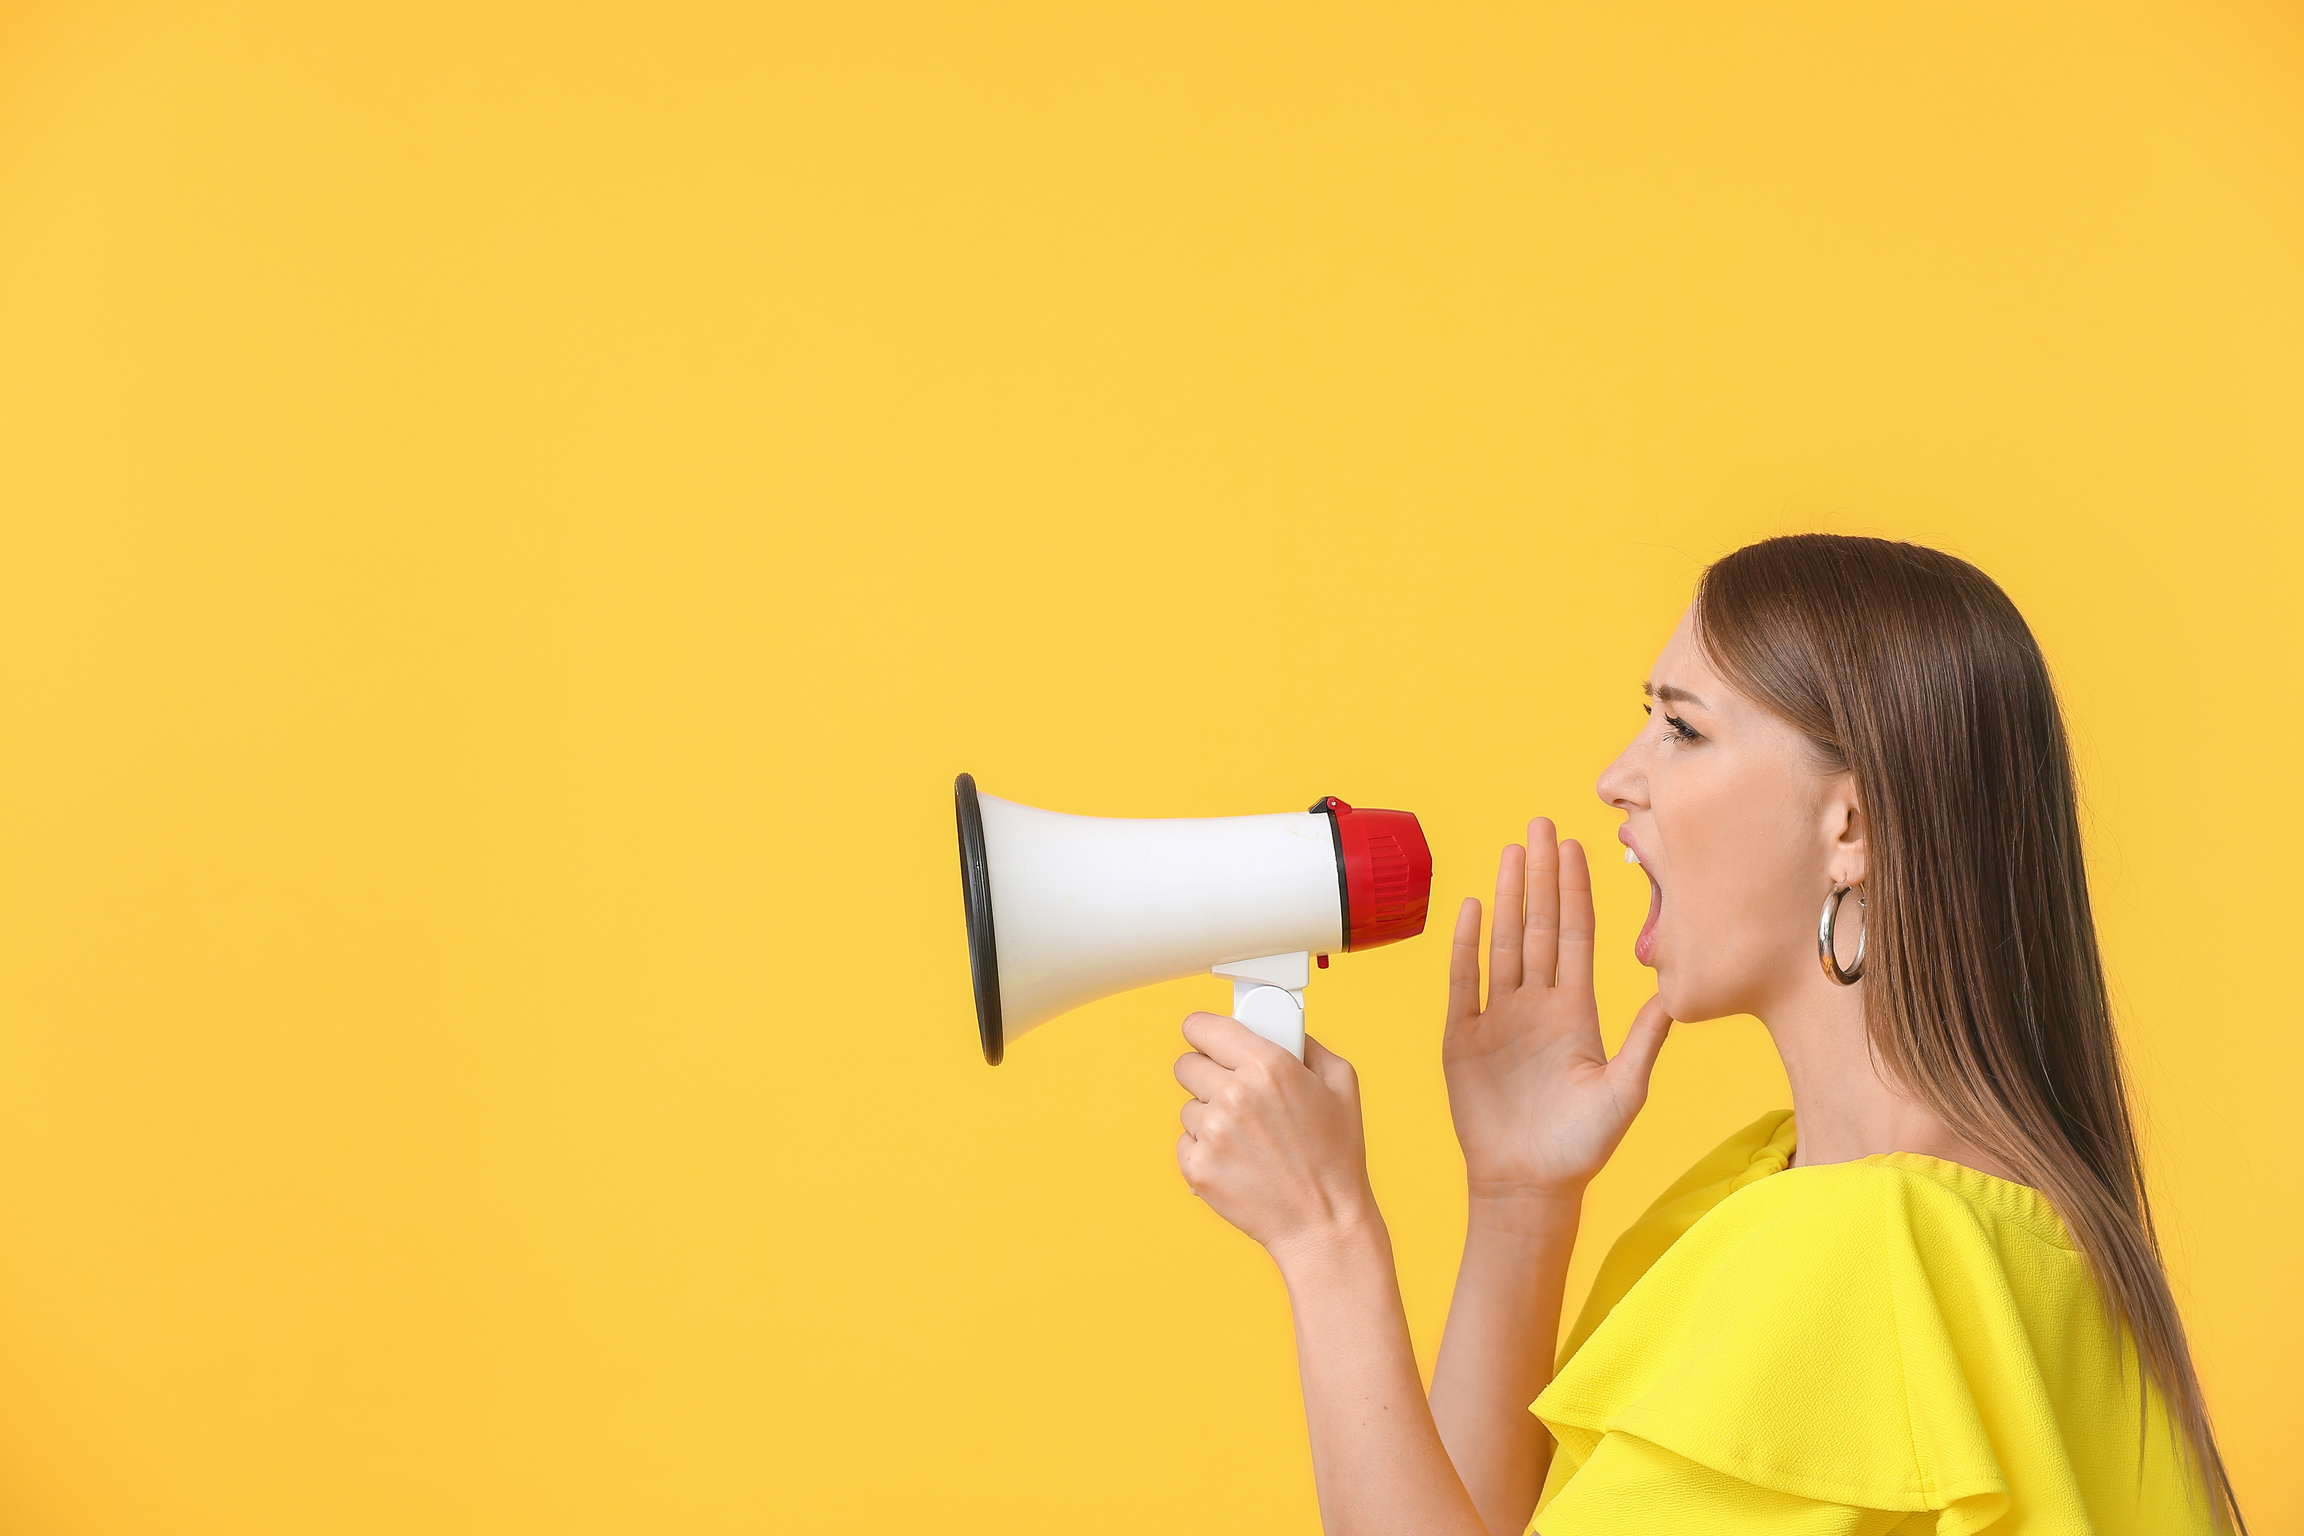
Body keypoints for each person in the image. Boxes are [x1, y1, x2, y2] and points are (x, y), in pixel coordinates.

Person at [1171, 534, 2243, 1535]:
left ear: (1852, 826)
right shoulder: (1827, 1203)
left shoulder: (1864, 1251)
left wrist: (1326, 1237)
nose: (1619, 777)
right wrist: (1518, 1200)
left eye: (1681, 728)